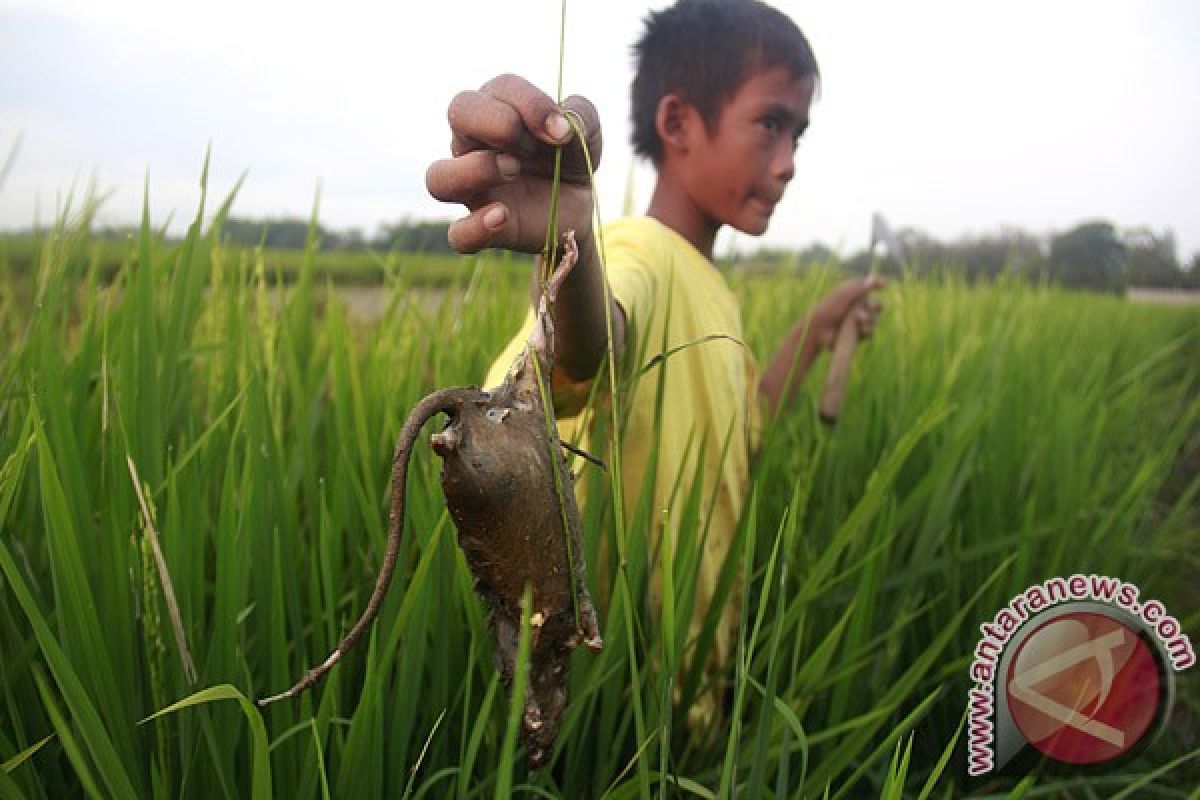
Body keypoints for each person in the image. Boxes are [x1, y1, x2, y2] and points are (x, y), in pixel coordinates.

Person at [425, 0, 883, 720]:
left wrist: (815, 331)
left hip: (690, 692)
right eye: (770, 124)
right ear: (678, 124)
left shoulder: (713, 292)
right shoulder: (643, 253)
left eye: (797, 133)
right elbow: (583, 354)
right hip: (620, 711)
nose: (789, 162)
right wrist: (572, 251)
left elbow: (741, 425)